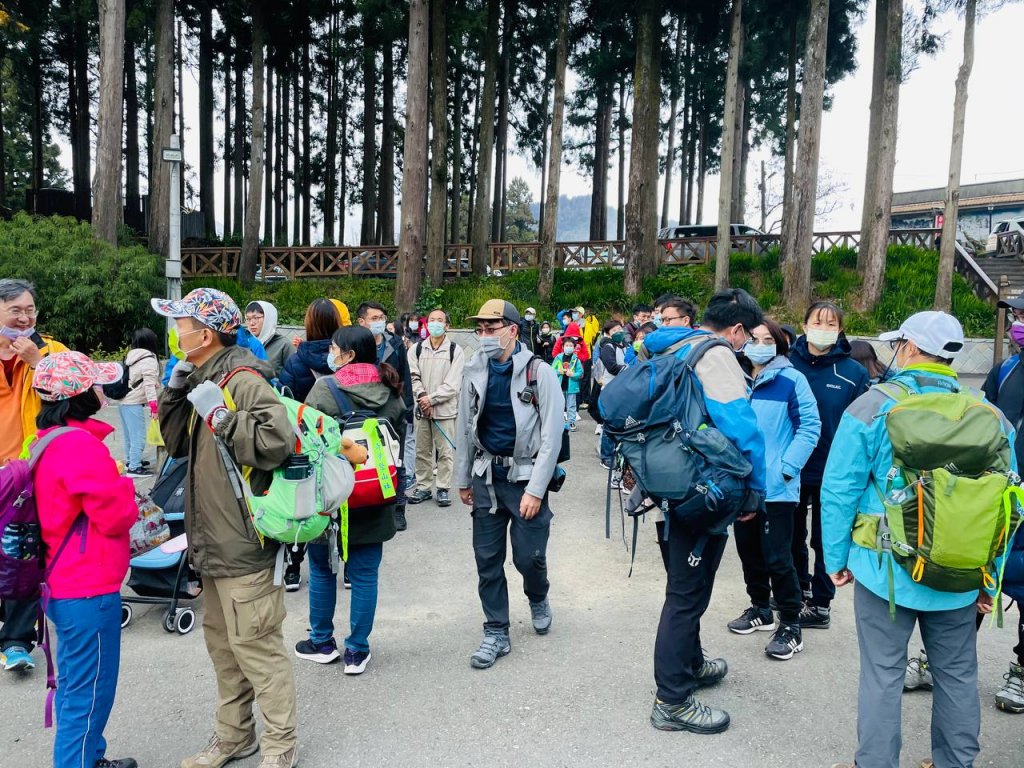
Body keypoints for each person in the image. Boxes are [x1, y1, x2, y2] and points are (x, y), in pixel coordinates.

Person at [822, 311, 1007, 768]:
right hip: (961, 571)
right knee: (958, 675)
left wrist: (834, 557)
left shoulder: (872, 405)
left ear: (907, 347)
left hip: (882, 568)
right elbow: (1006, 506)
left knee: (882, 674)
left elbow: (839, 488)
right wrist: (992, 578)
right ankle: (954, 763)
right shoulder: (991, 417)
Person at [153, 288, 299, 768]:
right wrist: (175, 390)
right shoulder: (202, 375)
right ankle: (234, 737)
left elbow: (278, 440)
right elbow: (175, 445)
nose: (177, 333)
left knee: (258, 651)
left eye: (182, 325)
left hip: (243, 542)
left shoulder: (242, 377)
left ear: (207, 333)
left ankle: (280, 746)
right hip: (212, 542)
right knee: (224, 650)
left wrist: (222, 417)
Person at [644, 289, 767, 734]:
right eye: (748, 336)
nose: (748, 344)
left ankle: (691, 663)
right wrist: (757, 488)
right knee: (687, 594)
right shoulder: (714, 356)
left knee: (683, 583)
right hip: (702, 490)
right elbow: (743, 429)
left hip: (664, 483)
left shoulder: (669, 344)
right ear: (736, 329)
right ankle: (672, 700)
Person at [30, 352, 140, 768]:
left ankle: (90, 757)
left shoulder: (46, 440)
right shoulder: (80, 446)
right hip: (87, 586)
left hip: (62, 580)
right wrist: (126, 487)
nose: (103, 391)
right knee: (88, 693)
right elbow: (115, 518)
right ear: (79, 395)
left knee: (78, 687)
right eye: (96, 384)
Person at [454, 300, 562, 670]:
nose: (484, 335)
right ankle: (496, 631)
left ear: (513, 330)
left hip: (525, 477)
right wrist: (462, 477)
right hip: (486, 477)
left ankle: (538, 595)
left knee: (528, 557)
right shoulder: (474, 370)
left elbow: (552, 436)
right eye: (480, 329)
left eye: (492, 327)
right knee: (487, 559)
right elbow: (464, 427)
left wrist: (535, 489)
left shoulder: (538, 372)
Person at [297, 325, 406, 674]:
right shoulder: (391, 391)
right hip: (375, 492)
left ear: (348, 355)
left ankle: (322, 641)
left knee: (322, 569)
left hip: (329, 495)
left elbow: (306, 442)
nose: (329, 352)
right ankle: (357, 651)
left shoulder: (323, 390)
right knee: (364, 574)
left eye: (333, 348)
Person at [729, 319, 820, 661]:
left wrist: (787, 467)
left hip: (778, 487)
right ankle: (759, 608)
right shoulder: (736, 379)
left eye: (768, 339)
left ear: (780, 347)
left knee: (779, 556)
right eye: (755, 338)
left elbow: (810, 426)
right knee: (747, 549)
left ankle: (791, 624)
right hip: (742, 483)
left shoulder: (791, 380)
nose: (760, 344)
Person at [0, 278, 68, 673]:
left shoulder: (52, 351)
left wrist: (38, 363)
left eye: (30, 311)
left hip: (32, 471)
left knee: (22, 554)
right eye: (15, 312)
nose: (24, 319)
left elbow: (85, 397)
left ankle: (16, 640)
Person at [788, 301, 868, 630]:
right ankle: (796, 589)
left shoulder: (852, 373)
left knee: (825, 539)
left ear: (840, 330)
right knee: (790, 535)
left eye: (832, 323)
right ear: (804, 324)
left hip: (831, 470)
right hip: (789, 467)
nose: (824, 328)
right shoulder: (786, 363)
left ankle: (821, 604)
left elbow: (862, 425)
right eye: (818, 322)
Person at [980, 296, 1024, 712]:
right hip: (995, 492)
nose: (1019, 323)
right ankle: (943, 659)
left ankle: (1022, 670)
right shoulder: (1005, 369)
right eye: (1018, 315)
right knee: (973, 572)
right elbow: (983, 421)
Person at [357, 302, 413, 531]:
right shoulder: (357, 345)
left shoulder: (395, 344)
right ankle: (371, 504)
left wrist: (407, 407)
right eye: (374, 318)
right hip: (365, 411)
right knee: (367, 459)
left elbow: (405, 377)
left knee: (396, 460)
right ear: (362, 322)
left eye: (382, 316)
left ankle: (398, 508)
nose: (379, 321)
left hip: (393, 409)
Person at [407, 309, 465, 508]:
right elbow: (413, 377)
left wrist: (431, 400)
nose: (435, 324)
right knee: (422, 450)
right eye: (432, 320)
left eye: (440, 320)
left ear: (447, 326)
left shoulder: (455, 351)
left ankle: (442, 488)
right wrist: (422, 398)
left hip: (445, 410)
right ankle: (423, 486)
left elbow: (452, 385)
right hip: (422, 409)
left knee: (445, 450)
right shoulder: (416, 349)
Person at [119, 328, 161, 478]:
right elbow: (149, 385)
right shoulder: (149, 359)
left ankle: (132, 461)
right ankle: (134, 468)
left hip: (124, 401)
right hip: (134, 402)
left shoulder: (131, 356)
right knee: (138, 436)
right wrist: (154, 408)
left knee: (129, 436)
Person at [279, 298, 340, 403]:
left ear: (309, 324)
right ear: (337, 321)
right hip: (345, 417)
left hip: (308, 418)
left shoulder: (295, 361)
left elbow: (284, 400)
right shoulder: (350, 356)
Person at [597, 320, 627, 465]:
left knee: (617, 422)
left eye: (619, 329)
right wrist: (630, 367)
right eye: (614, 330)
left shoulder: (622, 346)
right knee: (610, 423)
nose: (618, 332)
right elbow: (612, 368)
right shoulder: (608, 347)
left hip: (620, 388)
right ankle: (606, 457)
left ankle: (610, 451)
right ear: (608, 333)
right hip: (610, 389)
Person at [245, 301, 294, 376]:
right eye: (248, 319)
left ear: (269, 318)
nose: (251, 323)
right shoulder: (245, 345)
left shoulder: (284, 345)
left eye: (255, 318)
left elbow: (295, 377)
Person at [551, 336, 584, 432]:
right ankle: (559, 422)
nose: (568, 347)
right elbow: (552, 369)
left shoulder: (576, 359)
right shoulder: (558, 357)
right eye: (566, 345)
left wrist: (573, 374)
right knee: (559, 404)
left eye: (570, 345)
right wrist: (559, 372)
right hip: (560, 385)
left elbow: (580, 373)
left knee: (571, 405)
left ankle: (571, 422)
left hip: (572, 386)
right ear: (563, 346)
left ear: (574, 348)